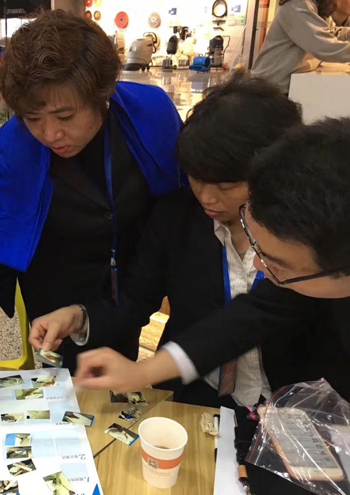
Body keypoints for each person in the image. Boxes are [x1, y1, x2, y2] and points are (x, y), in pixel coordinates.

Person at [0, 10, 183, 406]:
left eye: (65, 116)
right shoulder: (12, 146)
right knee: (66, 394)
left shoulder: (150, 114)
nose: (51, 134)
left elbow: (177, 201)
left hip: (132, 277)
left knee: (121, 378)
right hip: (55, 282)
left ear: (103, 94)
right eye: (33, 118)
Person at [30, 74, 304, 409]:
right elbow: (135, 298)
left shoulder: (305, 235)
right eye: (197, 179)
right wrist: (78, 316)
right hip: (194, 397)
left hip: (295, 403)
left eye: (226, 187)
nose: (207, 198)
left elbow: (252, 317)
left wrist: (145, 370)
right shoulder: (177, 217)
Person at [75, 118, 350, 402]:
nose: (259, 265)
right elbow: (251, 315)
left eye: (278, 265)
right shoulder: (178, 218)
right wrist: (143, 371)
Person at [252, 0, 350, 93]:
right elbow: (324, 47)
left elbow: (331, 34)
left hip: (289, 86)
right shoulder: (296, 6)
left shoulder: (318, 5)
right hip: (269, 88)